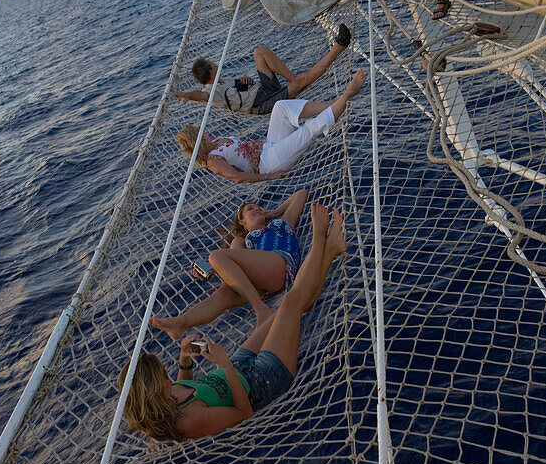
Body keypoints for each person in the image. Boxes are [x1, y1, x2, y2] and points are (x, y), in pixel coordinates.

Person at [119, 203, 347, 440]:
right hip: (262, 380)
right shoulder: (188, 421)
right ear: (153, 391)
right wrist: (225, 366)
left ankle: (330, 250)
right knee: (291, 303)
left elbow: (184, 387)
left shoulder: (167, 397)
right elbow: (243, 414)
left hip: (240, 365)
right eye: (164, 377)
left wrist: (185, 359)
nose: (168, 377)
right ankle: (321, 239)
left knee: (289, 311)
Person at [151, 189, 308, 338]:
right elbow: (235, 261)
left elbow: (301, 194)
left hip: (280, 262)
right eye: (251, 209)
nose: (257, 210)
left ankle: (260, 309)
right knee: (222, 293)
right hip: (266, 281)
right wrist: (215, 270)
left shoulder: (281, 224)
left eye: (259, 208)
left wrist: (274, 213)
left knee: (216, 258)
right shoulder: (242, 241)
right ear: (242, 222)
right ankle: (181, 323)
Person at [175, 68, 366, 182]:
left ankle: (331, 105)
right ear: (198, 142)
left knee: (280, 107)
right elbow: (237, 177)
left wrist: (187, 95)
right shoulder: (212, 161)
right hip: (269, 164)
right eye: (202, 135)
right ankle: (347, 95)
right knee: (307, 130)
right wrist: (267, 177)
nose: (206, 134)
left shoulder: (215, 142)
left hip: (268, 147)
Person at [174, 27, 351, 115]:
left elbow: (240, 93)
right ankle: (338, 47)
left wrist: (245, 80)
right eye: (212, 63)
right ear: (211, 70)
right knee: (302, 81)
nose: (215, 63)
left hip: (263, 90)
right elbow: (203, 96)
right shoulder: (212, 92)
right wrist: (188, 95)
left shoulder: (222, 80)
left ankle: (292, 80)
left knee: (259, 52)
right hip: (262, 104)